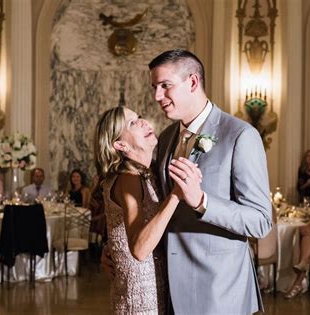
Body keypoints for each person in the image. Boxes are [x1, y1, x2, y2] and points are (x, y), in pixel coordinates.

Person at [147, 49, 271, 314]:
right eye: (155, 87)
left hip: (220, 291)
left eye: (165, 86)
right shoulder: (167, 136)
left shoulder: (240, 135)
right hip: (169, 288)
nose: (158, 97)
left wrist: (202, 202)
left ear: (193, 82)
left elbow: (261, 221)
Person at [95, 106, 195, 314]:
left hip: (160, 287)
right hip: (141, 297)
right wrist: (176, 194)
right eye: (132, 123)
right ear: (120, 144)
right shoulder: (128, 178)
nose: (143, 121)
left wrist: (110, 248)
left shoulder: (149, 172)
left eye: (139, 117)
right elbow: (139, 249)